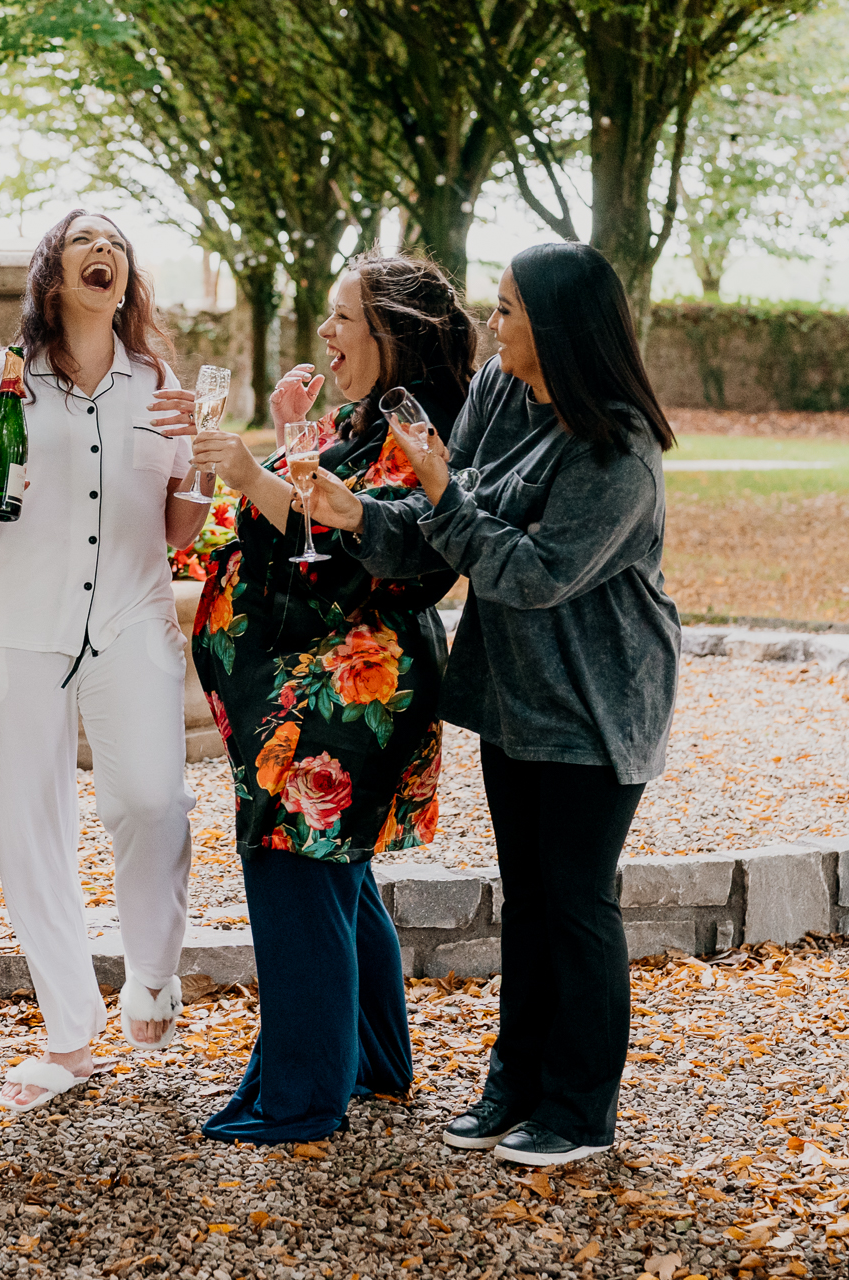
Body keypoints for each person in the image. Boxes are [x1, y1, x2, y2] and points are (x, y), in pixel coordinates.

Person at [305, 241, 679, 1167]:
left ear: (553, 327)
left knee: (576, 899)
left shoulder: (619, 451)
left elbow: (529, 572)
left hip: (597, 700)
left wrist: (438, 489)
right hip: (517, 692)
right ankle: (515, 1081)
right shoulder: (502, 394)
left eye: (508, 309)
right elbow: (445, 531)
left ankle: (580, 1107)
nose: (493, 323)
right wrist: (358, 516)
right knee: (528, 900)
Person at [0, 210, 209, 1112]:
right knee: (28, 826)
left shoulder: (160, 383)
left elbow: (177, 528)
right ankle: (67, 1030)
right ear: (54, 275)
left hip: (131, 616)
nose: (104, 253)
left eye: (117, 246)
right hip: (14, 621)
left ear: (127, 280)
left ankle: (154, 971)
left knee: (155, 799)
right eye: (86, 241)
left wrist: (198, 465)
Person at [187, 252, 475, 1144]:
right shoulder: (364, 418)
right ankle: (374, 1062)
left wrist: (245, 470)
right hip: (333, 680)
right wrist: (290, 432)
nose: (327, 332)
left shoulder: (416, 432)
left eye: (344, 316)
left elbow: (358, 550)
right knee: (340, 874)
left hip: (346, 686)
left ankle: (301, 1097)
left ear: (393, 332)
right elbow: (307, 504)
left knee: (293, 867)